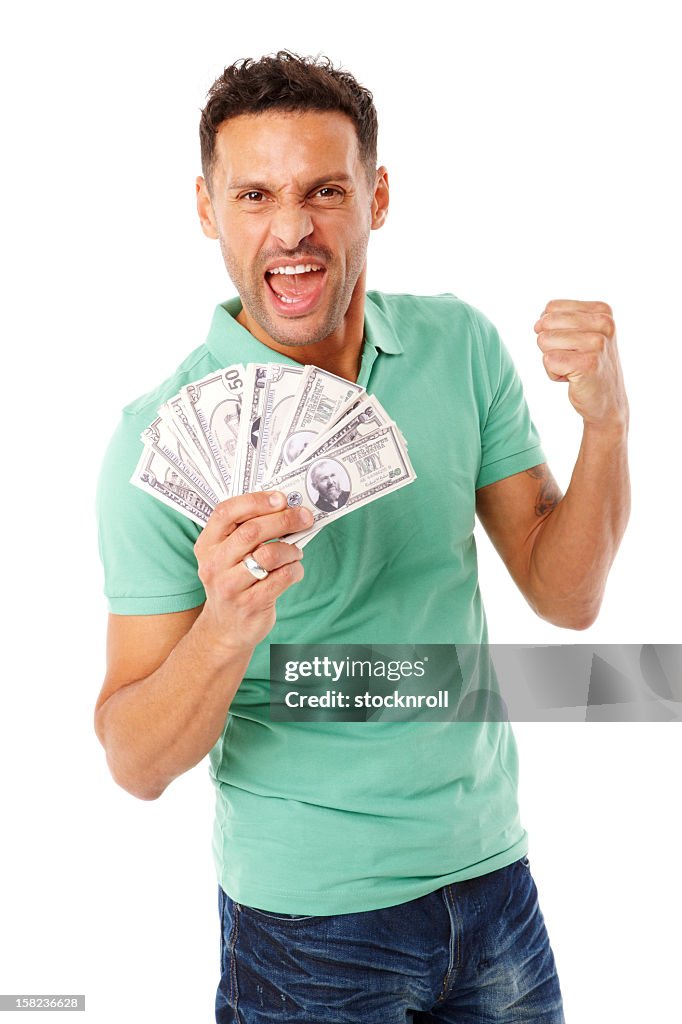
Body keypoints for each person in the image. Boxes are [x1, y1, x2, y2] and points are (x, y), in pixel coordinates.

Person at [94, 51, 630, 1023]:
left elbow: (566, 594)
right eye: (254, 193)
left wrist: (606, 423)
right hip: (310, 927)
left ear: (376, 197)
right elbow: (134, 761)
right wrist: (224, 627)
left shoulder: (459, 345)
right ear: (208, 208)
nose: (291, 228)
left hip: (495, 883)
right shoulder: (157, 438)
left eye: (324, 189)